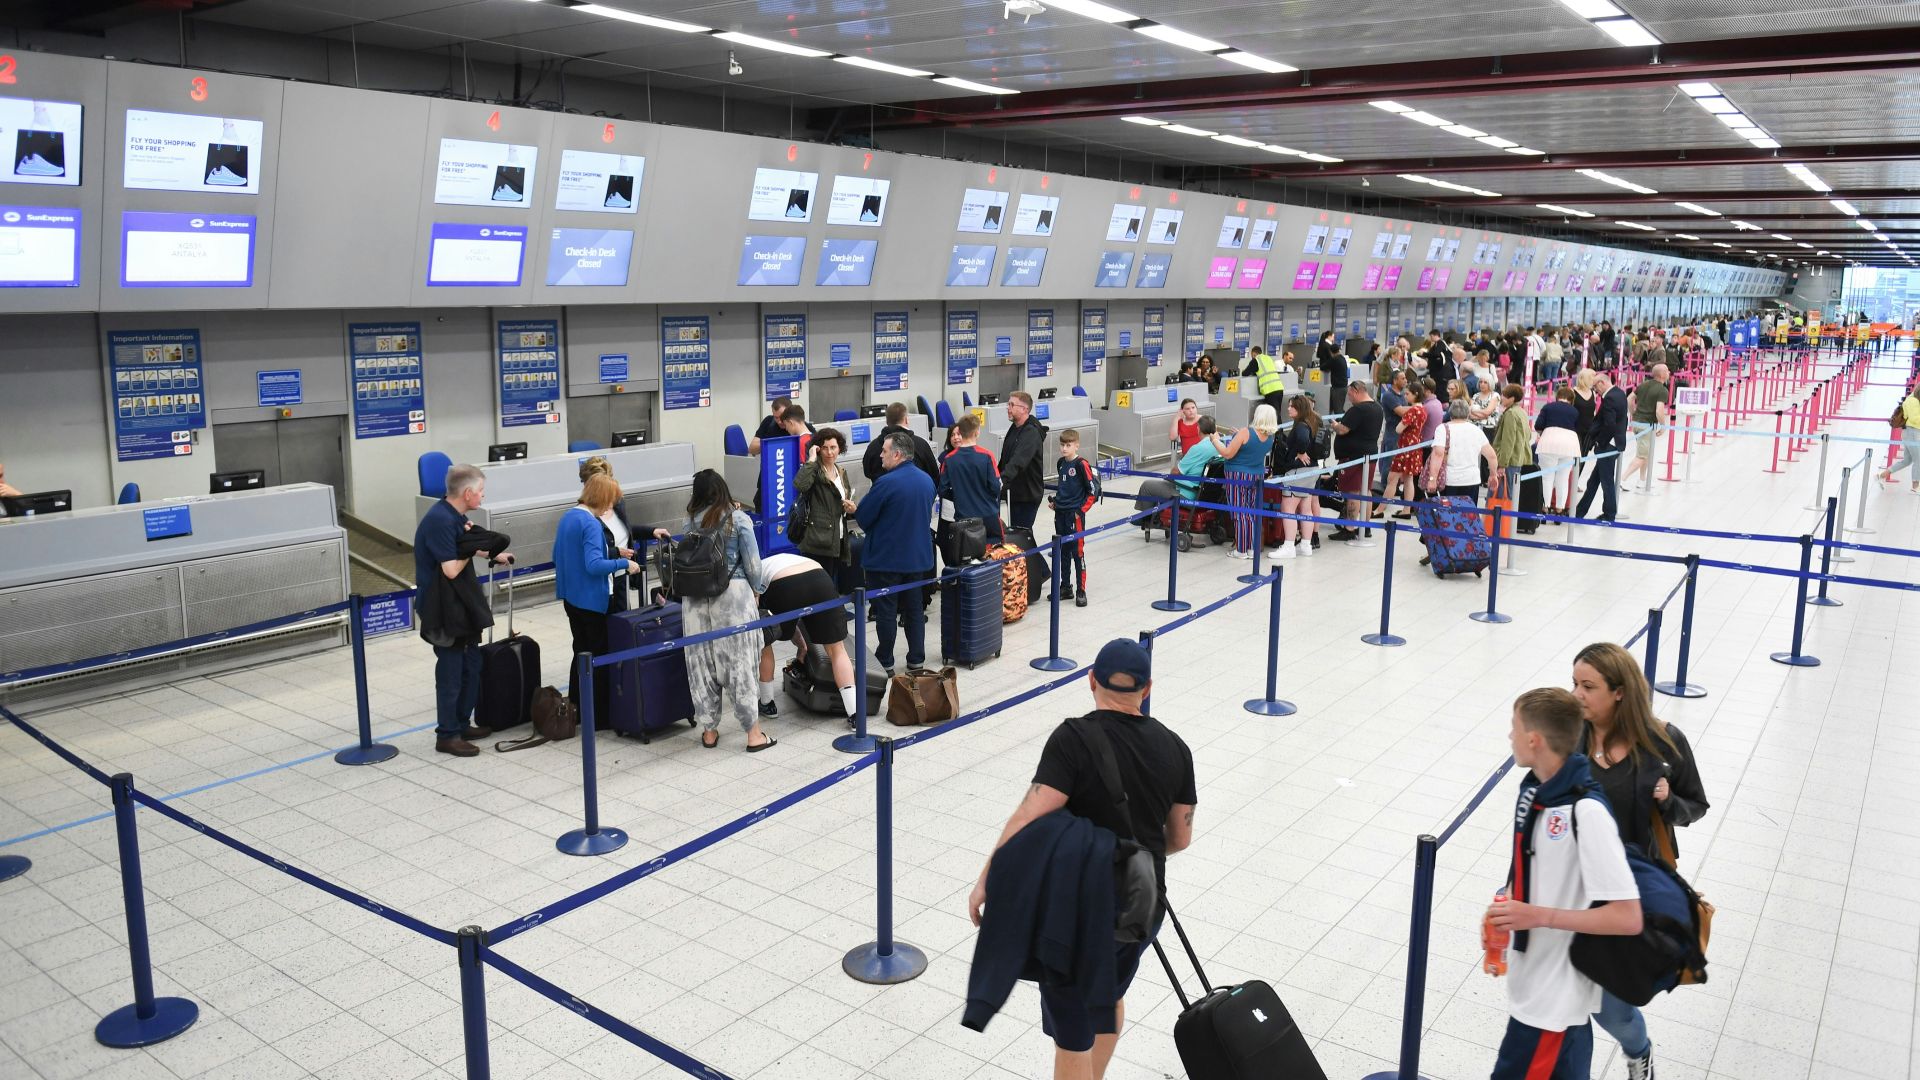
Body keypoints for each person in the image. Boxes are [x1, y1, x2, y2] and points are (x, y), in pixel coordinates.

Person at [965, 638, 1196, 1080]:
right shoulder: (1175, 747)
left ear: (1091, 681)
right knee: (1105, 997)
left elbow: (1030, 815)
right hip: (1142, 904)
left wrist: (987, 880)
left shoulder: (1073, 738)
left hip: (1077, 914)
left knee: (1071, 1031)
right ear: (1146, 690)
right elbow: (1180, 839)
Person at [1484, 688, 1643, 1080]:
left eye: (1514, 728)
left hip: (1553, 1002)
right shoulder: (1534, 792)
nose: (1510, 737)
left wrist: (1534, 915)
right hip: (1536, 988)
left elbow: (1627, 918)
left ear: (1534, 739)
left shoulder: (1586, 812)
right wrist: (1507, 904)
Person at [1569, 643, 1711, 1080]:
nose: (1576, 694)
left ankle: (1640, 1052)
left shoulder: (1663, 742)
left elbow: (1697, 805)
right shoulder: (1569, 734)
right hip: (1570, 889)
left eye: (1588, 686)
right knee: (1570, 1013)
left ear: (1619, 692)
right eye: (1574, 682)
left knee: (1615, 1013)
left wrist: (1670, 803)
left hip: (1629, 898)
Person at [651, 471, 774, 751]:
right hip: (733, 597)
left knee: (701, 663)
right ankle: (753, 734)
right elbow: (754, 567)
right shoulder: (738, 519)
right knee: (739, 664)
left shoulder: (689, 522)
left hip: (694, 601)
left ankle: (709, 731)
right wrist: (757, 590)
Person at [413, 464, 511, 757]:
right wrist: (473, 549)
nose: (482, 495)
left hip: (461, 606)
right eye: (480, 491)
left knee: (472, 666)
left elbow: (464, 546)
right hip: (444, 609)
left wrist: (491, 552)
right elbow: (452, 568)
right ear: (468, 493)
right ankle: (447, 735)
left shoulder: (455, 516)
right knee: (451, 674)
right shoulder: (440, 521)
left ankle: (461, 723)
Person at [554, 473, 643, 728]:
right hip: (592, 601)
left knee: (580, 653)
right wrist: (624, 563)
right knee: (599, 657)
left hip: (571, 598)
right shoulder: (591, 524)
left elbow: (557, 554)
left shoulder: (568, 516)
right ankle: (600, 715)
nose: (612, 506)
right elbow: (594, 565)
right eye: (611, 500)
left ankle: (577, 708)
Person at [857, 432, 937, 676]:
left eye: (884, 451)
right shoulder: (926, 481)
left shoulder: (885, 483)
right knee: (914, 611)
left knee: (887, 612)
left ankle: (886, 660)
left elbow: (863, 518)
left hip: (886, 561)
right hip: (917, 559)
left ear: (897, 454)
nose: (880, 455)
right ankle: (916, 660)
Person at [756, 550, 859, 721]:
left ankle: (767, 703)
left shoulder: (754, 571)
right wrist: (801, 644)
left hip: (783, 583)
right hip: (820, 579)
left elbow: (776, 623)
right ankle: (855, 713)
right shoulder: (786, 559)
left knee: (764, 642)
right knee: (836, 649)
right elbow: (795, 617)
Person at [1211, 403, 1276, 560]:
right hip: (1257, 476)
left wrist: (1214, 440)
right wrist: (1238, 435)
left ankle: (1241, 549)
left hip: (1237, 476)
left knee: (1239, 512)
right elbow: (1250, 447)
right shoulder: (1270, 437)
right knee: (1252, 512)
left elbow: (1227, 453)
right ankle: (1252, 547)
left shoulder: (1246, 432)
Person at [794, 426, 857, 585]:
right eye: (825, 448)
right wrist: (811, 459)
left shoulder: (841, 471)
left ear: (839, 448)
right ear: (818, 449)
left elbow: (842, 500)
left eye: (833, 447)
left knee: (831, 583)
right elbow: (800, 485)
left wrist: (850, 509)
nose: (830, 452)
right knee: (819, 587)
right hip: (818, 541)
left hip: (837, 538)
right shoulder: (814, 470)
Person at [1049, 429, 1100, 606]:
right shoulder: (1061, 463)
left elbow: (1092, 491)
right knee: (1062, 550)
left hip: (1074, 516)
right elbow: (1064, 489)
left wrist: (1080, 511)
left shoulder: (1081, 464)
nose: (1064, 448)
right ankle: (1065, 587)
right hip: (1060, 514)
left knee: (1077, 553)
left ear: (1076, 445)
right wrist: (1056, 503)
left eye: (1068, 445)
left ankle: (1081, 590)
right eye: (1062, 445)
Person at [1328, 381, 1383, 538]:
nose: (1349, 397)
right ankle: (1365, 527)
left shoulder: (1358, 410)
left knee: (1353, 492)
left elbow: (1343, 429)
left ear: (1356, 390)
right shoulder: (1377, 408)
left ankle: (1350, 529)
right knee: (1366, 491)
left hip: (1354, 458)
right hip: (1370, 455)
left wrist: (1334, 425)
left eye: (1350, 394)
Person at [940, 413, 1004, 542]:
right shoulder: (987, 456)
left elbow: (942, 489)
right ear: (977, 432)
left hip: (963, 518)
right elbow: (996, 487)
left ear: (961, 433)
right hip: (988, 515)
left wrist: (960, 497)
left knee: (965, 556)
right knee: (994, 554)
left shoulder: (949, 459)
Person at [1273, 395, 1322, 558]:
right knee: (1306, 508)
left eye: (1292, 406)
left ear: (1299, 408)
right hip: (1312, 470)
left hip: (1297, 471)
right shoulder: (1314, 421)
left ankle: (1289, 546)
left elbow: (1302, 439)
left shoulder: (1301, 425)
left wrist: (1301, 452)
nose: (1288, 409)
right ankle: (1306, 545)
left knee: (1288, 508)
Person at [1575, 374, 1629, 522]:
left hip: (1608, 446)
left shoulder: (1610, 398)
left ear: (1601, 383)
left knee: (1606, 482)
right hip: (1615, 444)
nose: (1595, 391)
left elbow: (1609, 424)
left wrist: (1600, 442)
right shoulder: (1619, 393)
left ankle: (1609, 514)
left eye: (1595, 387)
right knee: (1594, 481)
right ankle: (1579, 512)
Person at [1425, 399, 1500, 504]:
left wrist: (1432, 479)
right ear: (1468, 413)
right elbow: (1491, 456)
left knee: (1448, 516)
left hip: (1450, 480)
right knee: (1468, 516)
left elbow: (1438, 455)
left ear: (1450, 413)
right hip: (1472, 479)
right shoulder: (1476, 430)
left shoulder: (1442, 429)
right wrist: (1493, 475)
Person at [1000, 391, 1048, 533]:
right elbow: (1006, 459)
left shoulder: (1031, 433)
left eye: (1012, 404)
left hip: (1027, 496)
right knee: (1018, 534)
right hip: (1015, 493)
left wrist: (1001, 480)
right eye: (1008, 404)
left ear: (1024, 409)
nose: (1008, 408)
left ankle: (1030, 556)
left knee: (1022, 535)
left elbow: (1018, 461)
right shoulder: (1015, 428)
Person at [863, 401, 938, 485]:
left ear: (887, 421)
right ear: (906, 419)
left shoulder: (873, 446)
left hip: (883, 495)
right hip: (914, 495)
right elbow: (934, 475)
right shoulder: (921, 444)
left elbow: (867, 472)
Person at [1621, 363, 1669, 494]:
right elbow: (1659, 411)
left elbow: (1630, 398)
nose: (1669, 373)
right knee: (1642, 455)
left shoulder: (1643, 385)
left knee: (1645, 453)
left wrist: (1633, 413)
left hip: (1637, 423)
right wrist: (1663, 425)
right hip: (1647, 426)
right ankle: (1622, 478)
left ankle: (1642, 480)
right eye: (1667, 371)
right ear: (1662, 374)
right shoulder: (1662, 390)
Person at [1534, 387, 1583, 516]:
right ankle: (1560, 509)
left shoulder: (1548, 407)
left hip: (1549, 443)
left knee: (1547, 477)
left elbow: (1538, 425)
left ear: (1557, 397)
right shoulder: (1575, 411)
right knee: (1563, 478)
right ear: (1571, 400)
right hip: (1569, 445)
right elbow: (1579, 428)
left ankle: (1545, 507)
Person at [1386, 381, 1429, 516]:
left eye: (1407, 393)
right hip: (1415, 446)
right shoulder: (1422, 409)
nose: (1405, 396)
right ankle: (1406, 509)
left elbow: (1399, 429)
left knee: (1392, 478)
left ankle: (1380, 509)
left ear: (1415, 394)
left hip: (1405, 448)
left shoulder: (1412, 410)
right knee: (1409, 479)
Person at [1491, 384, 1534, 509]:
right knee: (1512, 493)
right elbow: (1528, 435)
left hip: (1508, 461)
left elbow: (1507, 441)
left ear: (1512, 398)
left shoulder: (1510, 414)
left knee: (1504, 494)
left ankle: (1501, 524)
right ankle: (1509, 524)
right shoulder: (1521, 412)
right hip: (1518, 459)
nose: (1502, 398)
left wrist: (1502, 464)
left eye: (1505, 396)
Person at [1877, 378, 1920, 492]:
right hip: (1912, 432)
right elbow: (1915, 419)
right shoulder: (1914, 402)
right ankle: (1915, 487)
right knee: (1918, 459)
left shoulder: (1913, 399)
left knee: (1907, 460)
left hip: (1910, 432)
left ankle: (1881, 476)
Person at [1171, 415, 1223, 499]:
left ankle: (1156, 512)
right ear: (1215, 429)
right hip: (1210, 497)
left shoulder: (1197, 448)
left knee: (1147, 487)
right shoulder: (1222, 447)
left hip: (1188, 494)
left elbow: (1176, 472)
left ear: (1198, 429)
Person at [1251, 342, 1290, 419]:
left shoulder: (1256, 361)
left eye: (1252, 356)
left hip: (1270, 391)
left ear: (1254, 354)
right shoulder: (1268, 359)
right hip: (1279, 388)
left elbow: (1246, 373)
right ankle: (1279, 430)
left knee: (1274, 414)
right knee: (1277, 413)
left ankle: (1278, 431)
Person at [1316, 330, 1348, 399]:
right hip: (1339, 385)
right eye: (1333, 336)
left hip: (1336, 384)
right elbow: (1325, 364)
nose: (1334, 338)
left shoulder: (1323, 344)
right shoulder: (1328, 347)